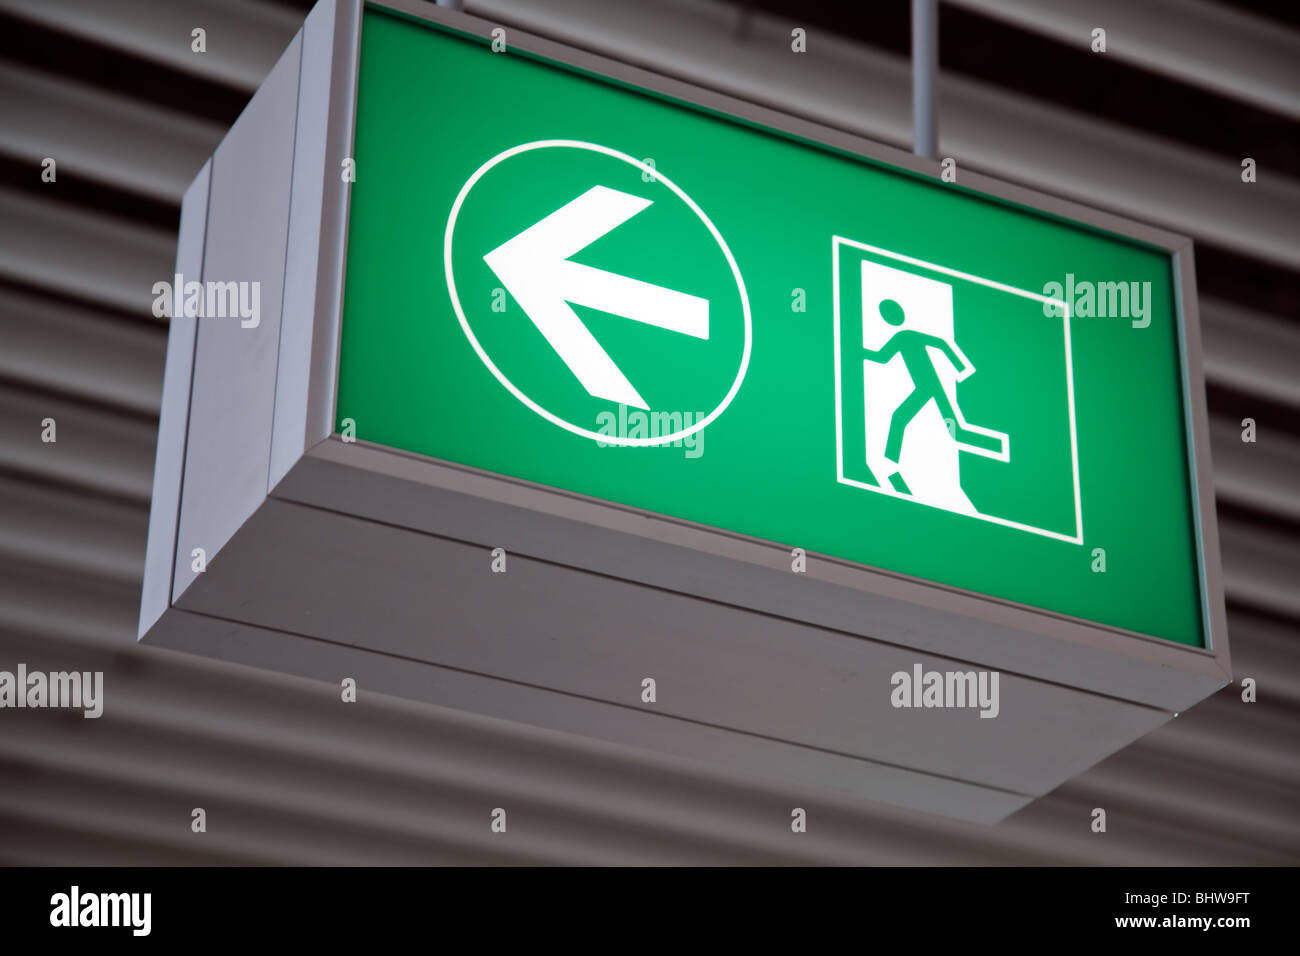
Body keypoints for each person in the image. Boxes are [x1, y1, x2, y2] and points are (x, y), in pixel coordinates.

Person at [863, 298, 1000, 464]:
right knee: (954, 431)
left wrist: (962, 369)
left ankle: (889, 460)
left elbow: (940, 343)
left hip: (930, 386)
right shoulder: (902, 336)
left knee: (903, 418)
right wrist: (858, 352)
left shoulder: (906, 335)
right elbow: (882, 357)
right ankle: (996, 445)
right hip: (927, 387)